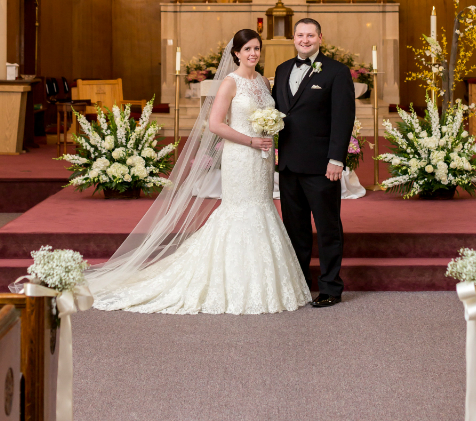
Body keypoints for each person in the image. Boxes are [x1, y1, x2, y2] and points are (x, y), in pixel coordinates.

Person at [88, 29, 310, 315]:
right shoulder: (230, 83)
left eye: (256, 49)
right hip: (241, 155)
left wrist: (268, 132)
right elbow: (216, 124)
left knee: (262, 207)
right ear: (236, 53)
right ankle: (231, 282)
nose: (253, 54)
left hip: (263, 159)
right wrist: (251, 140)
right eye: (247, 50)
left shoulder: (264, 83)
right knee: (240, 210)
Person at [273, 18, 355, 307]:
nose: (304, 39)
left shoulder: (337, 71)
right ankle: (299, 283)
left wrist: (336, 159)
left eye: (310, 35)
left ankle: (331, 287)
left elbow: (343, 119)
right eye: (300, 35)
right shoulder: (282, 69)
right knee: (295, 229)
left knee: (328, 226)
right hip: (289, 166)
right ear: (293, 38)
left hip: (322, 166)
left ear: (321, 37)